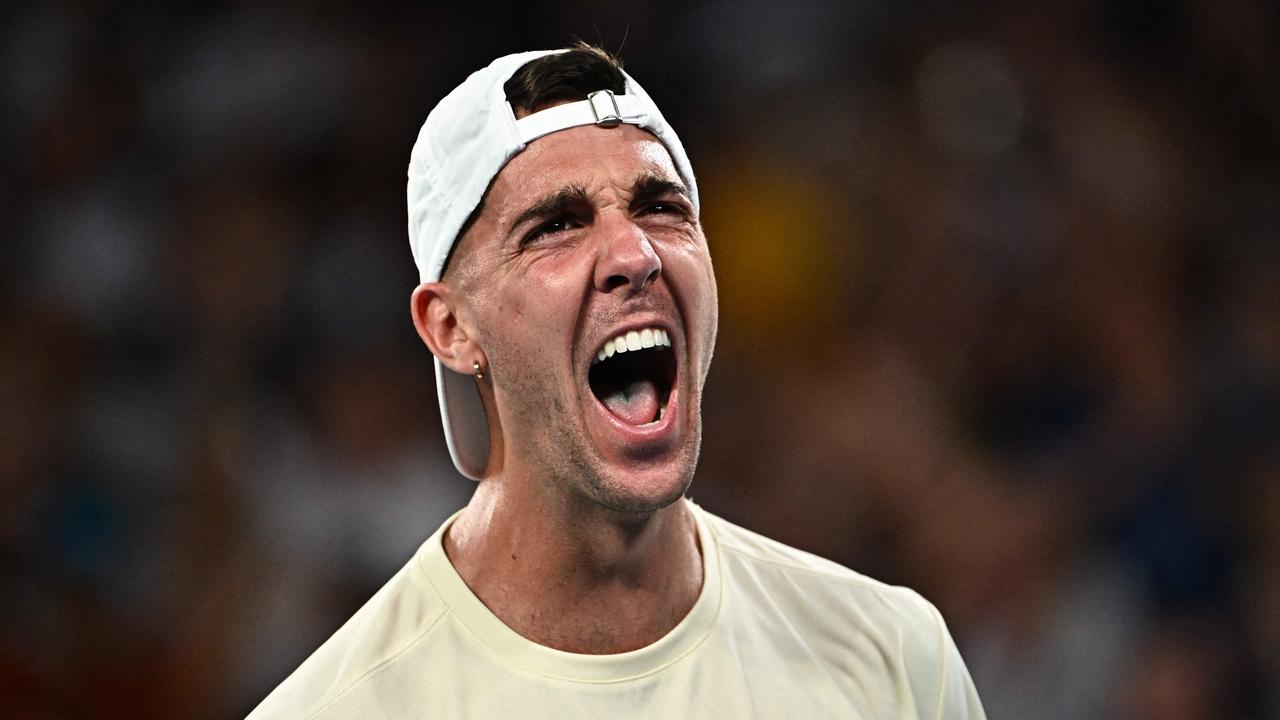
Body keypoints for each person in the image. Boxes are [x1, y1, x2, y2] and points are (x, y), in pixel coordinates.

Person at [248, 44, 987, 719]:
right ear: (450, 328)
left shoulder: (893, 659)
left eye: (661, 208)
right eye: (556, 226)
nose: (634, 252)